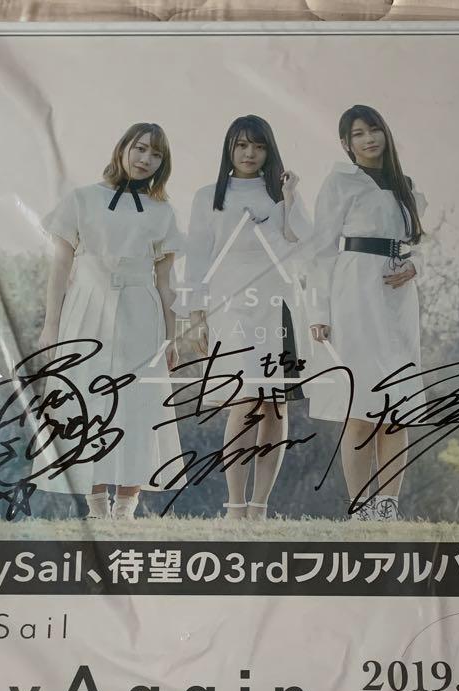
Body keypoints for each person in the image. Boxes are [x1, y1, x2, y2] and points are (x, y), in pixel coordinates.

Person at [37, 122, 183, 520]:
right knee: (86, 397)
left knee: (137, 403)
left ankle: (126, 507)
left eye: (156, 154)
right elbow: (60, 267)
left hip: (141, 311)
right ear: (122, 149)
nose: (145, 159)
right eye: (140, 148)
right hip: (86, 307)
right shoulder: (82, 199)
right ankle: (97, 506)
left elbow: (166, 282)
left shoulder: (162, 212)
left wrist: (172, 338)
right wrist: (51, 325)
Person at [179, 115, 311, 521]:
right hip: (231, 307)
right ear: (229, 149)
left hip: (280, 305)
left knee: (275, 405)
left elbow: (302, 240)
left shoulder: (280, 193)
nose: (249, 153)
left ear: (269, 150)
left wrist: (291, 197)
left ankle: (260, 506)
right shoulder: (209, 196)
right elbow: (197, 257)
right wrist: (195, 313)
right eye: (241, 145)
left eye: (258, 145)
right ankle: (235, 505)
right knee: (245, 399)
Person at [305, 104, 426, 522]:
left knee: (397, 406)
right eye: (358, 133)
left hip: (398, 299)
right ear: (346, 143)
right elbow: (320, 249)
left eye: (374, 130)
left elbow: (419, 243)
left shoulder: (406, 187)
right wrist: (318, 311)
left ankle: (387, 506)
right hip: (354, 293)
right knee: (360, 406)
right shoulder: (341, 182)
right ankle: (359, 507)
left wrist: (416, 266)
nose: (369, 139)